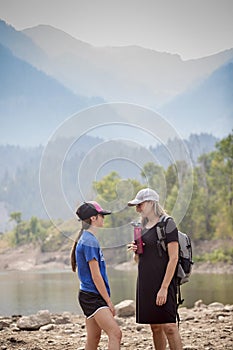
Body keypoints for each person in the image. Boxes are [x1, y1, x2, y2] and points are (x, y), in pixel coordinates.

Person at [127, 188, 183, 350]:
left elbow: (174, 258)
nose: (137, 209)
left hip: (164, 281)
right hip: (145, 283)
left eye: (140, 204)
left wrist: (164, 288)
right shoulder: (140, 227)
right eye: (136, 206)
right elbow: (138, 260)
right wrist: (136, 252)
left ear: (151, 203)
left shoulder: (168, 223)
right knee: (155, 327)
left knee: (170, 328)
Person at [71, 201, 122, 350]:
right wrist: (108, 301)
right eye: (101, 216)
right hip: (93, 297)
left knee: (93, 338)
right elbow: (96, 275)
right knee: (116, 333)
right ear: (93, 218)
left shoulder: (87, 238)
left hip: (88, 295)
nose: (103, 219)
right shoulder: (89, 241)